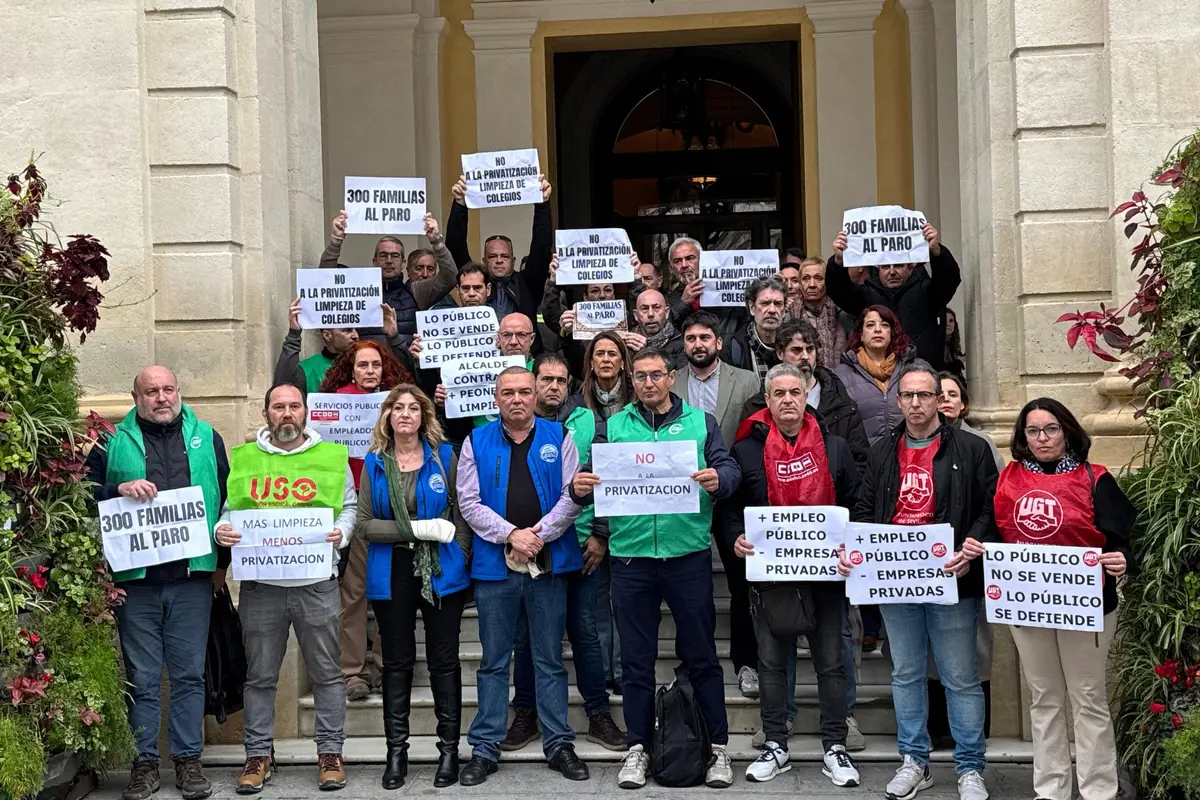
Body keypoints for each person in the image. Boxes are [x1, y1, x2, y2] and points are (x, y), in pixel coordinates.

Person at [572, 346, 742, 790]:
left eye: (656, 375)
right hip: (631, 560)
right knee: (635, 662)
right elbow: (590, 481)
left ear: (671, 378)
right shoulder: (612, 427)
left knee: (703, 656)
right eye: (641, 376)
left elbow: (729, 467)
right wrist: (578, 486)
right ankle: (638, 749)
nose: (648, 382)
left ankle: (718, 748)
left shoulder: (700, 423)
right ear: (632, 379)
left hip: (686, 556)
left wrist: (719, 479)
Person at [837, 360, 998, 800]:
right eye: (906, 395)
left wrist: (971, 546)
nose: (915, 403)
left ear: (940, 399)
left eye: (924, 394)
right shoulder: (883, 450)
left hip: (952, 580)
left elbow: (991, 507)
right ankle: (914, 760)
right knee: (906, 673)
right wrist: (857, 548)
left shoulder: (971, 449)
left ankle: (969, 767)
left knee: (960, 677)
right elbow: (867, 508)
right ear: (898, 400)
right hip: (896, 581)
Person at [962, 398, 1133, 800]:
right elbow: (993, 532)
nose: (1042, 438)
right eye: (1033, 431)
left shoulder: (1096, 477)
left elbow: (1121, 542)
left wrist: (1121, 559)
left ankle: (1098, 790)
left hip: (1087, 607)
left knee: (1088, 698)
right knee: (1045, 698)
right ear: (1023, 437)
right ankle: (1052, 788)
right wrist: (977, 547)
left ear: (1067, 430)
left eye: (1051, 429)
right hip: (1029, 606)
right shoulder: (1009, 480)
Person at [84, 367, 230, 800]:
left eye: (168, 389)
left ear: (178, 392)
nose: (161, 398)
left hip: (192, 577)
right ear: (136, 397)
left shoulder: (208, 436)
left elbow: (228, 500)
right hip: (136, 583)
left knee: (188, 675)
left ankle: (188, 762)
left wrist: (221, 564)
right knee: (142, 677)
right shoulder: (110, 440)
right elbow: (80, 493)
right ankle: (144, 764)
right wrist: (117, 488)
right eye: (152, 392)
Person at [215, 383, 358, 793]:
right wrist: (221, 530)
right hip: (262, 587)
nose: (287, 413)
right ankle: (258, 754)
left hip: (316, 584)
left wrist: (342, 532)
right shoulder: (244, 460)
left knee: (328, 674)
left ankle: (330, 752)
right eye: (279, 407)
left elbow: (349, 506)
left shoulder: (332, 458)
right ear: (266, 413)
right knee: (259, 676)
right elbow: (229, 512)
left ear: (306, 412)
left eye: (295, 406)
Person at [725, 363, 862, 786]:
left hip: (825, 576)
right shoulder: (747, 450)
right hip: (772, 576)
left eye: (795, 392)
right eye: (778, 393)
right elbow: (729, 510)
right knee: (771, 663)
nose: (787, 399)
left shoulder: (835, 447)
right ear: (767, 401)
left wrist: (851, 544)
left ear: (807, 398)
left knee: (832, 663)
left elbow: (858, 503)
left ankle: (835, 746)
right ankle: (776, 745)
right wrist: (736, 539)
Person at [455, 367, 589, 785]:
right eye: (508, 392)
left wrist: (537, 536)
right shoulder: (476, 440)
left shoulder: (559, 436)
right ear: (495, 398)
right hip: (495, 567)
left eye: (524, 392)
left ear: (536, 396)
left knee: (549, 659)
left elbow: (573, 496)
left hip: (547, 564)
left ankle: (558, 744)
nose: (517, 399)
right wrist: (512, 534)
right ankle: (484, 748)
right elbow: (469, 502)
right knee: (494, 661)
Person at [502, 355, 627, 753]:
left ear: (570, 382)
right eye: (545, 379)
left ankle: (598, 714)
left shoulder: (589, 421)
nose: (553, 386)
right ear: (533, 382)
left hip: (580, 545)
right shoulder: (510, 431)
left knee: (586, 632)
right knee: (525, 635)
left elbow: (603, 480)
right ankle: (525, 712)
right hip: (529, 550)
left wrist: (600, 534)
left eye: (560, 379)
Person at [356, 385, 472, 790]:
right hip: (393, 569)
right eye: (397, 408)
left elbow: (462, 510)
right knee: (398, 661)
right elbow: (366, 524)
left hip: (442, 567)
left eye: (413, 408)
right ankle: (396, 753)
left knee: (444, 661)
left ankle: (448, 752)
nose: (405, 414)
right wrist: (418, 529)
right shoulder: (375, 462)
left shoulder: (444, 457)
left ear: (424, 416)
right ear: (387, 416)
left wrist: (461, 551)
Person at [318, 339, 415, 702]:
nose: (370, 371)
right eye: (363, 365)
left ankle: (391, 662)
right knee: (354, 591)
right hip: (357, 506)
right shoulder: (336, 403)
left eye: (375, 364)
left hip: (396, 504)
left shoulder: (397, 402)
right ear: (351, 369)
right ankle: (352, 671)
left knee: (395, 589)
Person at [671, 311, 760, 697]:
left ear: (718, 342)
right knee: (686, 585)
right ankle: (690, 660)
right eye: (691, 338)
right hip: (681, 494)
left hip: (732, 491)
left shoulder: (749, 380)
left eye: (705, 337)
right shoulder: (670, 381)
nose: (698, 344)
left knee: (741, 583)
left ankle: (747, 663)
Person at [925, 371, 1000, 749]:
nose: (946, 400)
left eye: (953, 394)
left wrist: (976, 542)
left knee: (976, 650)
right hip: (930, 565)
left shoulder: (982, 443)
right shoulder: (916, 445)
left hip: (972, 563)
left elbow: (997, 500)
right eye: (940, 394)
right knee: (932, 656)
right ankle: (937, 727)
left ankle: (973, 733)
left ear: (964, 402)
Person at [740, 318, 871, 473]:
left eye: (810, 349)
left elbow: (860, 463)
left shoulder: (842, 404)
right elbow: (748, 463)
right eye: (796, 350)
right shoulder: (757, 407)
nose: (805, 356)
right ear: (780, 353)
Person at [827, 221, 959, 369]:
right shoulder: (866, 294)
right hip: (879, 376)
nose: (892, 271)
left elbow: (949, 280)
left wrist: (937, 252)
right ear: (878, 268)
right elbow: (838, 291)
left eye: (898, 265)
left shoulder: (928, 291)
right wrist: (838, 261)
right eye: (885, 266)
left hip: (920, 374)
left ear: (910, 267)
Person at [321, 211, 457, 341]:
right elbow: (324, 278)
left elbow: (450, 277)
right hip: (367, 364)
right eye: (383, 255)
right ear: (374, 261)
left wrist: (437, 242)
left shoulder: (417, 291)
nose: (389, 261)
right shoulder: (358, 291)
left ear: (403, 262)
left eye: (395, 256)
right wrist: (336, 241)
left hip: (404, 364)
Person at [446, 174, 554, 330]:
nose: (498, 260)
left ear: (513, 260)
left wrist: (542, 204)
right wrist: (460, 204)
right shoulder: (476, 283)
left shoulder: (527, 284)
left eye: (504, 256)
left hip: (521, 350)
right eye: (492, 256)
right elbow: (455, 246)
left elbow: (541, 246)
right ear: (484, 261)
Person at [835, 305, 916, 445]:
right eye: (870, 325)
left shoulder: (913, 368)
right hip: (863, 460)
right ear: (860, 334)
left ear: (892, 332)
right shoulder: (841, 375)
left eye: (884, 325)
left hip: (908, 456)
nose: (878, 330)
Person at [663, 237, 743, 340]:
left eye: (690, 258)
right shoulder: (666, 301)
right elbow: (664, 333)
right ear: (671, 269)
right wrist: (683, 305)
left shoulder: (727, 291)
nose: (684, 265)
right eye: (677, 261)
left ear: (703, 261)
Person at [787, 257, 849, 370]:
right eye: (806, 278)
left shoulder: (841, 315)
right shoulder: (788, 317)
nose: (812, 284)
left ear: (827, 282)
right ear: (800, 283)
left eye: (818, 278)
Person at [724, 275, 786, 386]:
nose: (772, 310)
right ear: (752, 308)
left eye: (778, 304)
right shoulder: (733, 350)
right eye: (765, 303)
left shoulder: (793, 346)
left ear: (784, 311)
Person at [579, 331, 635, 421]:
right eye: (600, 354)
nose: (606, 359)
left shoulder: (637, 395)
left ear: (622, 362)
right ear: (592, 362)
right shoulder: (579, 399)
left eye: (612, 354)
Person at [943, 309, 966, 378]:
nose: (948, 324)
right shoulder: (937, 344)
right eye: (945, 321)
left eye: (951, 321)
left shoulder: (952, 345)